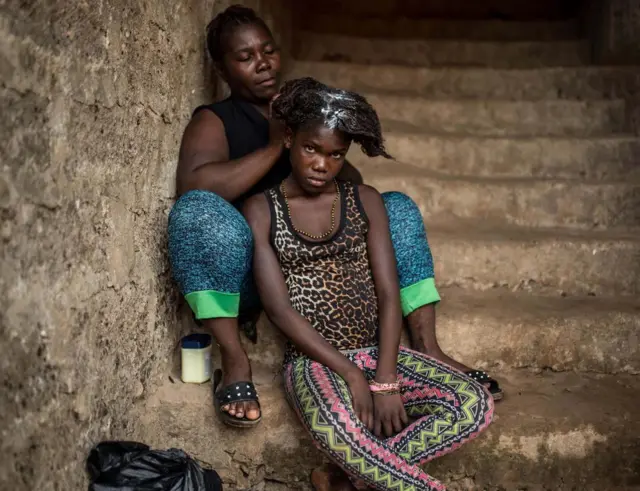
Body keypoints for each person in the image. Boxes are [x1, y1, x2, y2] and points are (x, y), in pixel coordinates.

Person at [168, 5, 502, 427]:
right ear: (221, 67)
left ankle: (427, 345)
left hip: (326, 269)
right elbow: (195, 189)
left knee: (394, 206)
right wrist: (277, 144)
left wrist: (312, 144)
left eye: (268, 50)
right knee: (196, 213)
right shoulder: (215, 120)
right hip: (253, 271)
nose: (263, 63)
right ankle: (235, 360)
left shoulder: (305, 107)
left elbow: (354, 187)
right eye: (245, 56)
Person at [242, 77, 494, 491]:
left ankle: (343, 482)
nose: (322, 164)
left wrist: (385, 377)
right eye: (311, 149)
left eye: (336, 155)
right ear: (289, 139)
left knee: (474, 405)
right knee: (337, 426)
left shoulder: (365, 200)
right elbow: (279, 310)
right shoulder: (261, 210)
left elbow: (389, 293)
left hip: (377, 353)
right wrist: (352, 376)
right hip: (313, 362)